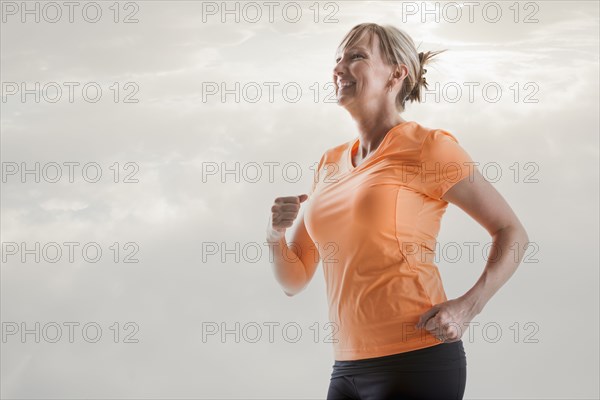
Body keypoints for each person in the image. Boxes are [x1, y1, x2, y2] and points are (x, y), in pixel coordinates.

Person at [266, 22, 529, 400]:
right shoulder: (329, 163)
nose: (338, 68)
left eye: (356, 57)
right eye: (337, 59)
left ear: (397, 73)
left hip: (417, 359)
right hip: (346, 366)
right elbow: (293, 280)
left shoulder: (429, 148)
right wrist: (275, 234)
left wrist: (468, 308)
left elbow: (511, 231)